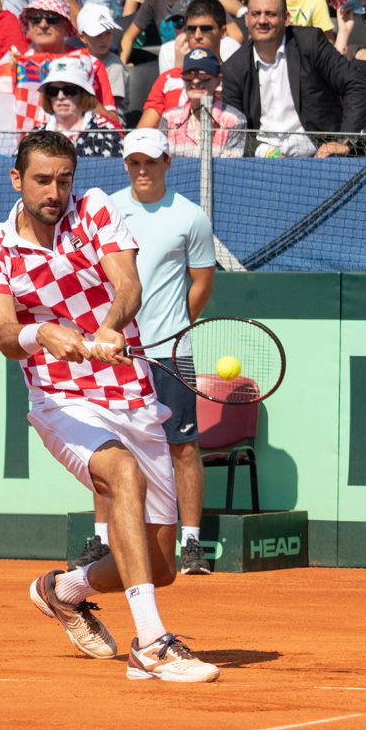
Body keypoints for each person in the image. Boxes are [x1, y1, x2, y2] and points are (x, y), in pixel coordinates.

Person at [0, 129, 220, 683]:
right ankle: (151, 645)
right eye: (42, 180)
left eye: (64, 180)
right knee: (121, 474)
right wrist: (43, 334)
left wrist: (109, 326)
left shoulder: (94, 209)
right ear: (16, 179)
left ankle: (61, 591)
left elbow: (127, 285)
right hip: (60, 401)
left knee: (161, 564)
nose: (54, 192)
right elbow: (5, 333)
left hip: (131, 395)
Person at [70, 128, 216, 576]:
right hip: (117, 351)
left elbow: (202, 283)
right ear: (125, 165)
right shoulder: (106, 212)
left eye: (151, 162)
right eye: (134, 162)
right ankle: (101, 538)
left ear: (167, 162)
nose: (142, 170)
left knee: (182, 447)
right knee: (106, 447)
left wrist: (172, 329)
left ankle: (191, 544)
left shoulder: (191, 217)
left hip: (171, 351)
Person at [221, 0, 366, 157]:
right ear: (247, 19)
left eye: (270, 14)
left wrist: (344, 141)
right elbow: (235, 128)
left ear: (286, 18)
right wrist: (268, 153)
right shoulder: (234, 67)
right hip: (263, 161)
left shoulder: (310, 43)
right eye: (256, 14)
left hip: (321, 158)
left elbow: (355, 85)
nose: (262, 20)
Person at [0, 0, 117, 153]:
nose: (43, 25)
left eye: (52, 19)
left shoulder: (91, 63)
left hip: (79, 151)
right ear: (28, 27)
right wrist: (10, 74)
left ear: (66, 26)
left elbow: (114, 124)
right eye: (35, 19)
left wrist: (82, 91)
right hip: (27, 153)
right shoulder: (12, 64)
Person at [139, 0, 240, 127]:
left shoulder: (236, 77)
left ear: (223, 32)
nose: (197, 36)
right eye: (191, 29)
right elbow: (143, 131)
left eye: (206, 29)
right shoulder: (167, 79)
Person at [159, 49, 248, 157]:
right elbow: (163, 162)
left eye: (203, 75)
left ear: (218, 80)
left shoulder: (234, 120)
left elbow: (230, 166)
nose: (195, 81)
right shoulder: (169, 118)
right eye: (189, 75)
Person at [31, 56, 123, 157]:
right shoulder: (35, 135)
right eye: (53, 91)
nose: (60, 96)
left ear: (84, 94)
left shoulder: (107, 131)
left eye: (69, 91)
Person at [76, 2, 127, 115]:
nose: (104, 40)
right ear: (82, 37)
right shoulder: (76, 60)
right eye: (97, 35)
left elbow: (112, 108)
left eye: (108, 33)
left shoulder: (115, 66)